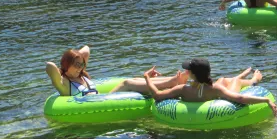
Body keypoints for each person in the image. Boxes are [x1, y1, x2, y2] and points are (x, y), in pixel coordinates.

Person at [142, 58, 277, 117]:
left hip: (205, 96)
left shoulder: (183, 89)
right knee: (229, 80)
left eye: (187, 70)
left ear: (191, 74)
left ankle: (252, 80)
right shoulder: (214, 90)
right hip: (215, 95)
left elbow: (157, 95)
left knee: (229, 80)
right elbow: (239, 98)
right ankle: (251, 79)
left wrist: (147, 78)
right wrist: (265, 100)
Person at [45, 46, 186, 97]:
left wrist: (77, 59)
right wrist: (62, 68)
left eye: (82, 65)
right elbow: (49, 66)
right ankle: (172, 82)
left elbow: (86, 49)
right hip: (98, 103)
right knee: (126, 83)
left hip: (103, 98)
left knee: (135, 79)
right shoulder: (64, 83)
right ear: (66, 64)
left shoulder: (81, 74)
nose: (80, 68)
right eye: (76, 65)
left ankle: (173, 80)